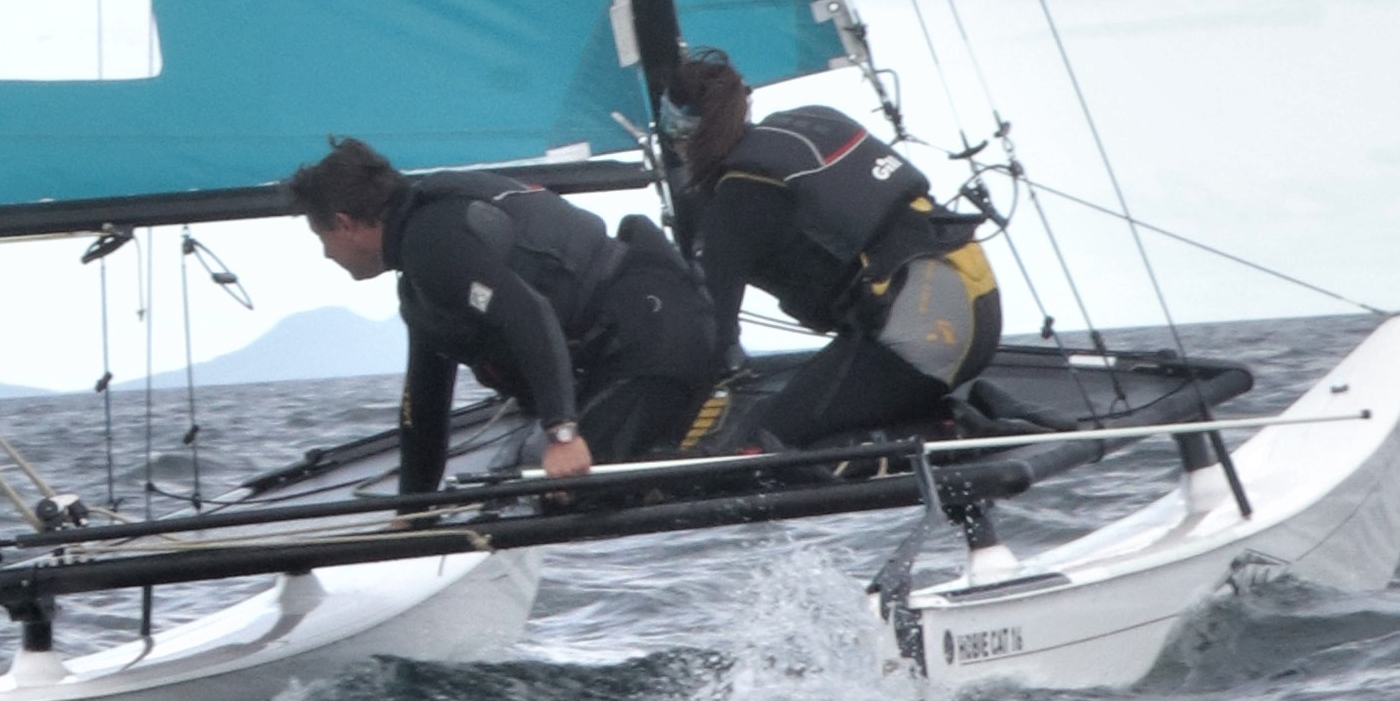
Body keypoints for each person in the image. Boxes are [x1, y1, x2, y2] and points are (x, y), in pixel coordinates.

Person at [287, 135, 724, 500]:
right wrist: (412, 513)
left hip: (657, 330)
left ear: (345, 224)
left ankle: (713, 454)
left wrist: (562, 433)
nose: (326, 254)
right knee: (527, 483)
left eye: (322, 237)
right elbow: (425, 410)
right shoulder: (420, 276)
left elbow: (528, 314)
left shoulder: (434, 244)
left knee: (565, 493)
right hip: (629, 344)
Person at [663, 53, 1003, 444]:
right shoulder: (810, 126)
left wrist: (664, 426)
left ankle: (952, 427)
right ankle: (962, 420)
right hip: (977, 301)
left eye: (673, 131)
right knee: (826, 405)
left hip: (926, 337)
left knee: (760, 444)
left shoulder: (735, 204)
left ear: (689, 135)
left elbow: (711, 339)